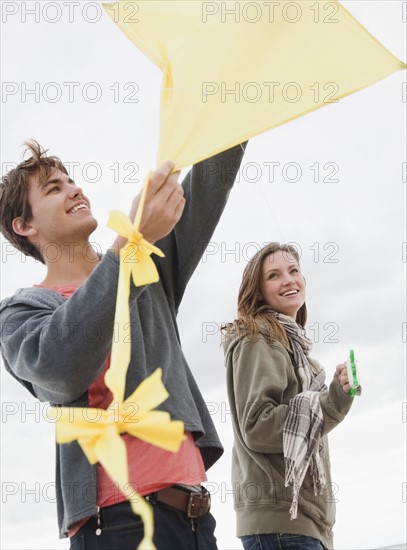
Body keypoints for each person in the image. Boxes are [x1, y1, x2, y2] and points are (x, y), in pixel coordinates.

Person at [0, 140, 246, 549]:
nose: (75, 190)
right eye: (53, 188)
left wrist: (235, 102)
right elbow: (61, 367)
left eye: (72, 181)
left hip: (195, 520)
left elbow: (208, 184)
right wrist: (129, 246)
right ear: (24, 225)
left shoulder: (146, 263)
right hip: (118, 526)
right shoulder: (21, 313)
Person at [222, 243, 360, 550]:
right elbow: (257, 426)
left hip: (302, 523)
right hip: (281, 526)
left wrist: (338, 393)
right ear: (257, 291)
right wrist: (329, 402)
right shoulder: (258, 338)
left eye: (294, 270)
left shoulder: (294, 347)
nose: (288, 280)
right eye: (274, 275)